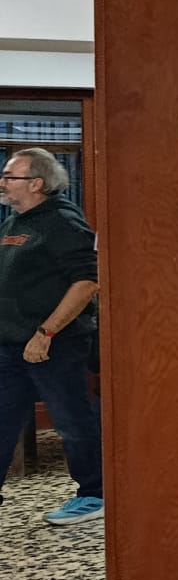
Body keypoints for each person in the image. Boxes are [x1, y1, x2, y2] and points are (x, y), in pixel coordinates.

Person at [0, 147, 104, 524]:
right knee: (3, 421)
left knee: (71, 419)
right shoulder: (14, 223)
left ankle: (94, 494)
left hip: (55, 345)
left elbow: (87, 281)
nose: (2, 183)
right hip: (11, 344)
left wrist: (46, 332)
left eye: (10, 177)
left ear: (36, 183)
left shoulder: (62, 220)